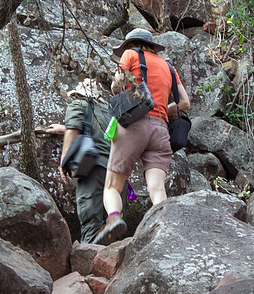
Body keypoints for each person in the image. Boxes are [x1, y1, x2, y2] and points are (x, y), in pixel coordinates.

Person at [93, 28, 190, 245]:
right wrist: (161, 107)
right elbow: (185, 103)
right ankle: (165, 230)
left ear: (130, 44)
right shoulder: (169, 67)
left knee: (112, 185)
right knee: (156, 188)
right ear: (153, 46)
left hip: (133, 126)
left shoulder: (130, 55)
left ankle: (113, 219)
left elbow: (116, 85)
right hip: (161, 130)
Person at [57, 77, 113, 244]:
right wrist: (62, 128)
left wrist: (64, 162)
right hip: (114, 169)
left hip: (92, 168)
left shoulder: (78, 105)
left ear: (78, 94)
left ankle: (89, 263)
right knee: (110, 223)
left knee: (91, 220)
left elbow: (73, 131)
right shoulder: (108, 110)